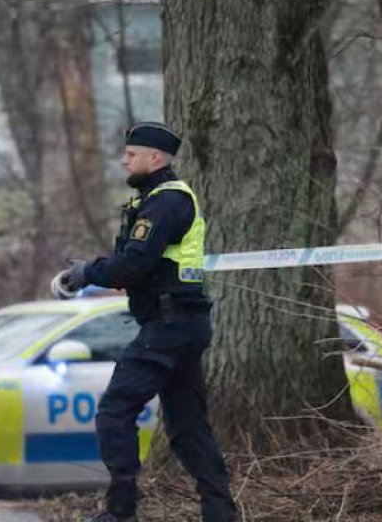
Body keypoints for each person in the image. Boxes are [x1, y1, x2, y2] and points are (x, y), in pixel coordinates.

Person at [51, 122, 237, 522]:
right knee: (188, 427)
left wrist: (88, 272)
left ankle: (120, 511)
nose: (125, 160)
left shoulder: (165, 202)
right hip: (181, 323)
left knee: (115, 411)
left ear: (155, 158)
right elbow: (149, 266)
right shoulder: (159, 200)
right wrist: (119, 277)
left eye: (132, 154)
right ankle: (221, 512)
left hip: (168, 328)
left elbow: (134, 263)